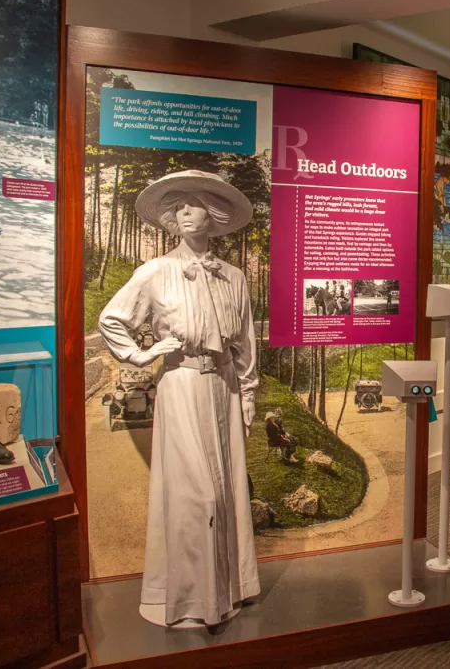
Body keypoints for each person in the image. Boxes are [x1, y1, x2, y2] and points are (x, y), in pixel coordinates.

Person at [99, 169, 259, 627]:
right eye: (180, 207)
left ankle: (232, 588)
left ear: (214, 214)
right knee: (195, 494)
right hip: (182, 384)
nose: (186, 214)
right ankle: (190, 599)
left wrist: (247, 394)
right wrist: (142, 353)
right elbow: (112, 319)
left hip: (224, 387)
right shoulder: (156, 271)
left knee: (227, 487)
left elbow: (245, 341)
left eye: (195, 205)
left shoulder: (233, 276)